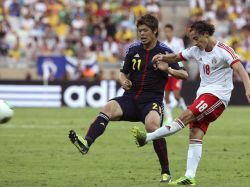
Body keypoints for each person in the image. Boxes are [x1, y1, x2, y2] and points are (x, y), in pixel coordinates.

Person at [68, 14, 188, 183]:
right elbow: (123, 72)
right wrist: (124, 81)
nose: (142, 34)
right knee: (108, 107)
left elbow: (184, 74)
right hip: (131, 99)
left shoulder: (166, 52)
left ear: (154, 31)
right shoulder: (133, 49)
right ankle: (86, 143)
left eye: (145, 30)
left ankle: (166, 171)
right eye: (139, 31)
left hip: (151, 101)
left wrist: (168, 69)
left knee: (153, 126)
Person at [132, 20, 250, 185]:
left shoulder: (223, 50)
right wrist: (162, 56)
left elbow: (240, 70)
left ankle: (147, 137)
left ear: (205, 34)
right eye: (192, 39)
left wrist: (248, 89)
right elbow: (176, 56)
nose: (195, 42)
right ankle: (189, 176)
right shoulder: (196, 50)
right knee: (195, 134)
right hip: (202, 94)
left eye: (196, 38)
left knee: (185, 115)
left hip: (217, 96)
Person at [163, 24, 187, 124]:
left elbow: (182, 56)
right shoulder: (163, 44)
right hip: (167, 73)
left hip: (176, 72)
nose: (167, 33)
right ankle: (169, 119)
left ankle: (186, 113)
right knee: (166, 96)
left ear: (172, 32)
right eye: (165, 31)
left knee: (177, 95)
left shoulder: (178, 42)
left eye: (169, 31)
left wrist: (181, 68)